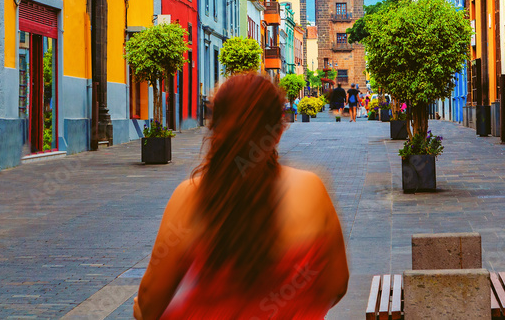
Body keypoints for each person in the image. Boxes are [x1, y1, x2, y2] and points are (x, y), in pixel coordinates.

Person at [134, 73, 349, 320]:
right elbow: (337, 285)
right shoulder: (311, 190)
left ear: (214, 128)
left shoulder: (191, 197)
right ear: (277, 133)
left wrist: (139, 308)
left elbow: (149, 305)